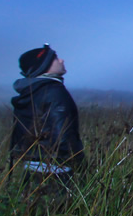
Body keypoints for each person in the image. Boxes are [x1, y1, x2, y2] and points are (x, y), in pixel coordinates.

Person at [10, 44, 84, 191]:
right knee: (59, 212)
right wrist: (80, 165)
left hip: (30, 168)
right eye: (55, 58)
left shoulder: (30, 92)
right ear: (43, 66)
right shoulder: (54, 92)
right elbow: (63, 136)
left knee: (33, 212)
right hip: (56, 172)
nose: (61, 60)